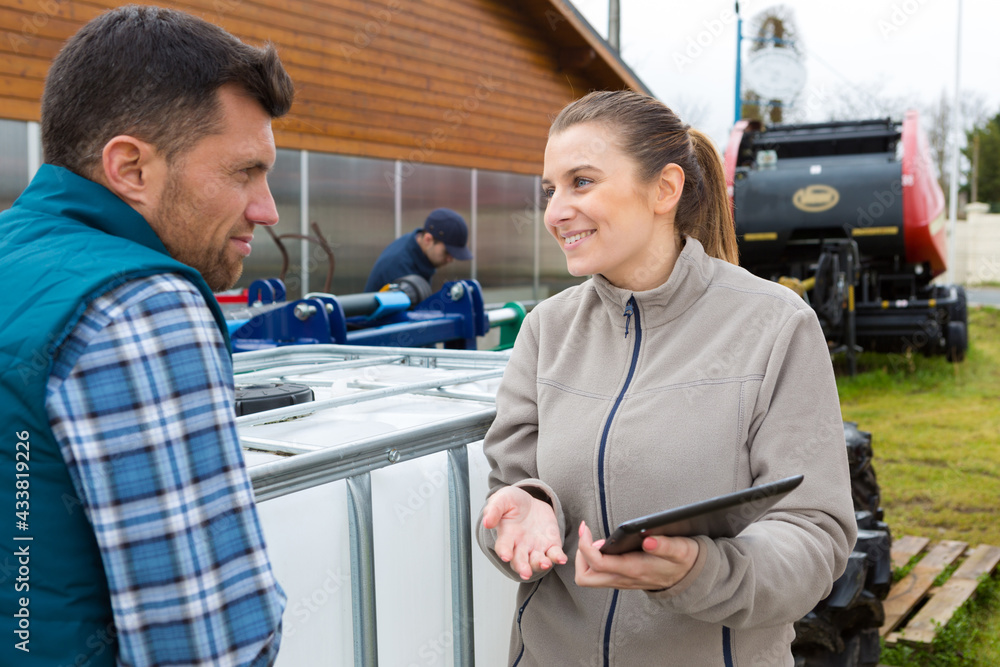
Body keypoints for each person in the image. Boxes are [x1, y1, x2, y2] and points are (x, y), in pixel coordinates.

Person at [476, 90, 857, 666]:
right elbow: (510, 488)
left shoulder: (775, 327)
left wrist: (703, 571)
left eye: (581, 182)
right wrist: (523, 509)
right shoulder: (546, 329)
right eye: (550, 189)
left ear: (665, 189)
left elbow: (813, 534)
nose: (554, 211)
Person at [0, 6, 293, 666]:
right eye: (244, 171)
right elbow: (207, 646)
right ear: (130, 168)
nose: (267, 209)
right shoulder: (140, 307)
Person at [364, 207, 473, 292]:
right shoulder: (398, 267)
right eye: (447, 252)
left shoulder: (417, 246)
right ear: (427, 239)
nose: (450, 259)